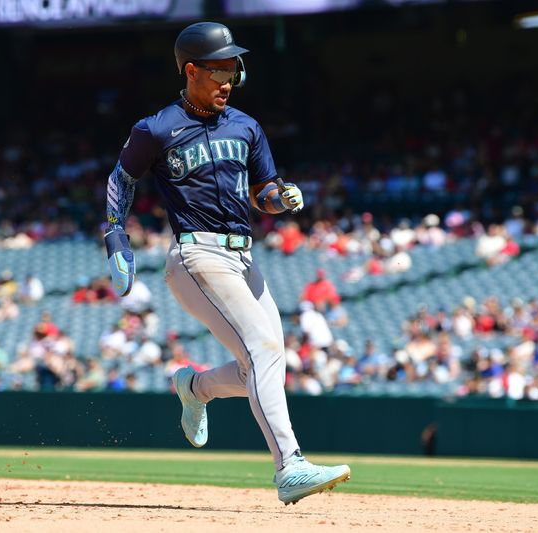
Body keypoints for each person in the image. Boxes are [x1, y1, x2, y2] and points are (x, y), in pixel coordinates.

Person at [101, 21, 349, 505]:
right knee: (261, 351)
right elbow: (120, 180)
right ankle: (290, 466)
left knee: (265, 360)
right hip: (195, 255)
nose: (229, 79)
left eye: (233, 68)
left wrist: (283, 197)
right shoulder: (156, 128)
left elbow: (264, 195)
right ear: (191, 71)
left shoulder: (246, 126)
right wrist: (115, 235)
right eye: (218, 70)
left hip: (243, 256)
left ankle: (194, 387)